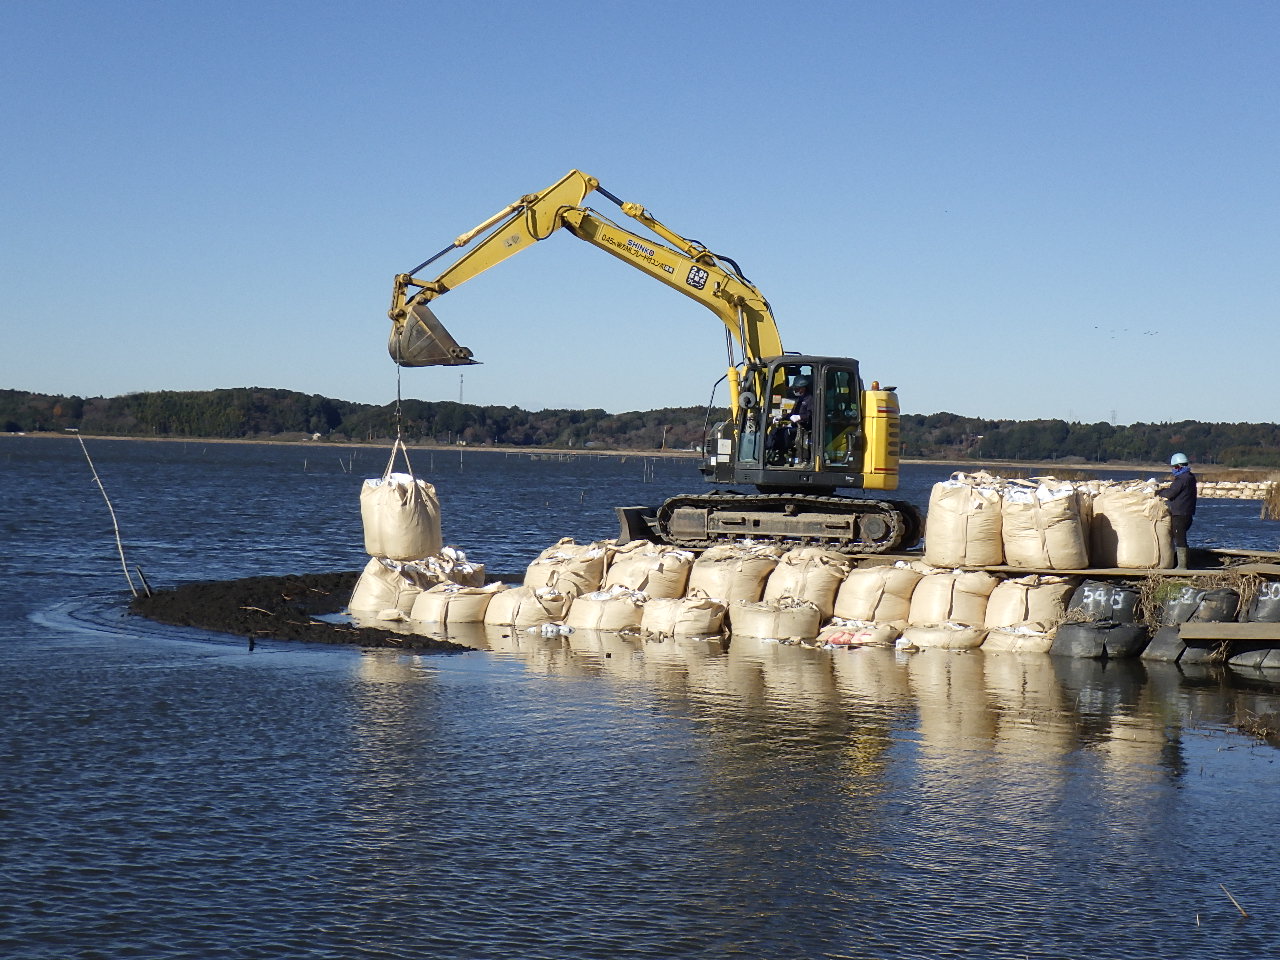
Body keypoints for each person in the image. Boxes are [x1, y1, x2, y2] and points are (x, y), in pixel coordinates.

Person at [1157, 452, 1197, 569]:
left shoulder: (1181, 479)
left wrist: (1159, 492)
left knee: (1179, 538)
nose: (1173, 469)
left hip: (1179, 513)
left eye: (1174, 467)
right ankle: (1184, 563)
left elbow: (1171, 493)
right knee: (1181, 537)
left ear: (1178, 466)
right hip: (1188, 513)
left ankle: (1182, 566)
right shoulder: (1190, 477)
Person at [766, 376, 813, 464]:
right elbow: (791, 415)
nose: (794, 390)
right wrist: (781, 417)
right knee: (776, 431)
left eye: (796, 388)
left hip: (804, 428)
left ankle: (784, 456)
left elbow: (811, 415)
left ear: (802, 388)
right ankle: (775, 454)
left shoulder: (810, 399)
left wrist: (800, 417)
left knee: (785, 433)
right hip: (796, 426)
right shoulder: (800, 399)